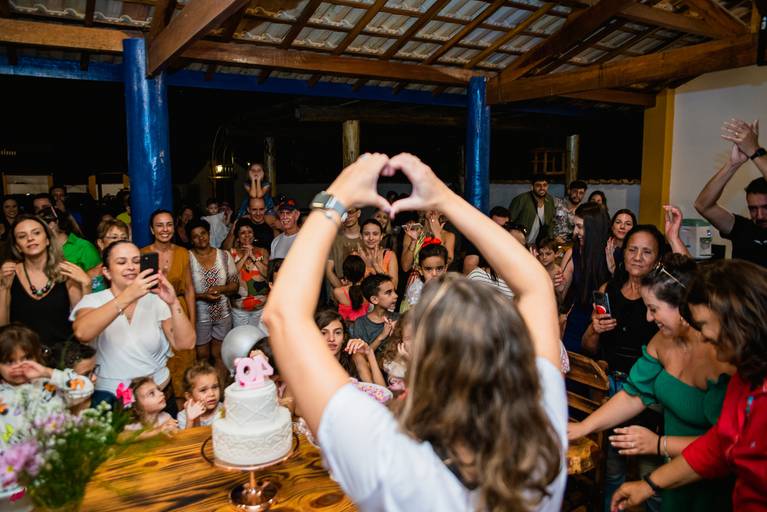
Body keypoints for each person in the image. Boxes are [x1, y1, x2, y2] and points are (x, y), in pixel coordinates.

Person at [263, 152, 566, 511]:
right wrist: (445, 199)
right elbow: (537, 285)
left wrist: (337, 197)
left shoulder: (393, 464)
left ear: (421, 362)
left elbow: (283, 315)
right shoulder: (542, 431)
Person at [570, 254, 733, 512]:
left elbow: (727, 444)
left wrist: (659, 444)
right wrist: (584, 427)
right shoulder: (661, 341)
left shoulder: (722, 357)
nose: (648, 318)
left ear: (682, 305)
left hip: (711, 482)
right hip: (672, 474)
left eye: (653, 309)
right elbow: (633, 394)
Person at [611, 259, 767, 512]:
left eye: (703, 325)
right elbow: (717, 446)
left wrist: (658, 445)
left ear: (736, 320)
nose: (702, 336)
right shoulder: (745, 377)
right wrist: (650, 484)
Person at [70, 241, 196, 414]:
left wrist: (173, 302)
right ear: (107, 272)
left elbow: (186, 343)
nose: (131, 267)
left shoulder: (156, 299)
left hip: (158, 395)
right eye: (122, 262)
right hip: (112, 400)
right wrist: (128, 296)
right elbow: (82, 333)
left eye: (136, 261)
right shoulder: (93, 301)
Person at [0, 215, 92, 347]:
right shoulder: (10, 273)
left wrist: (86, 286)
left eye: (36, 233)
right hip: (24, 355)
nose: (30, 238)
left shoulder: (66, 272)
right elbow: (3, 330)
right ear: (17, 247)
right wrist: (4, 287)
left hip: (63, 355)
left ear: (48, 240)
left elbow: (83, 327)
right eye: (22, 236)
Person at [0, 324, 92, 451]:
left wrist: (47, 372)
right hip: (16, 461)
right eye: (9, 361)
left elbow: (86, 388)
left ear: (36, 356)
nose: (19, 366)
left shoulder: (49, 384)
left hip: (58, 457)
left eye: (26, 358)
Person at [141, 209, 197, 406]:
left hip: (178, 310)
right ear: (152, 229)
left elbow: (189, 289)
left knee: (183, 365)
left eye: (169, 224)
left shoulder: (183, 253)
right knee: (157, 364)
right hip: (152, 313)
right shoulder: (142, 254)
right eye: (159, 225)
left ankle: (184, 414)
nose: (165, 229)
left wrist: (192, 322)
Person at [694, 118, 767, 266]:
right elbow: (703, 205)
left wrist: (754, 150)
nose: (759, 216)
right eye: (753, 209)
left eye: (766, 207)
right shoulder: (742, 228)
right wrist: (733, 164)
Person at [188, 219, 238, 385]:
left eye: (203, 233)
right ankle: (204, 388)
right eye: (195, 236)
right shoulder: (187, 258)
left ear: (209, 234)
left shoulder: (224, 256)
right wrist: (202, 296)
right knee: (202, 356)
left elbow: (235, 285)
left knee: (220, 354)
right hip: (199, 315)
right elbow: (184, 291)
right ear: (191, 240)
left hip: (222, 314)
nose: (200, 238)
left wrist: (220, 289)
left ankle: (220, 390)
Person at [560, 202, 612, 352]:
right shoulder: (573, 254)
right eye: (575, 226)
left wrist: (614, 271)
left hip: (602, 324)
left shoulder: (610, 254)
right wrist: (557, 287)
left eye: (580, 227)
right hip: (576, 319)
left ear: (593, 228)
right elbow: (560, 296)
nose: (575, 232)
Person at [229, 218, 270, 328]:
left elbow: (267, 274)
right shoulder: (231, 252)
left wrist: (252, 256)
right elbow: (231, 275)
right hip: (239, 309)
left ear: (254, 235)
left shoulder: (263, 251)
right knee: (242, 337)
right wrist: (245, 256)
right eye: (242, 232)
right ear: (238, 237)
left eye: (249, 232)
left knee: (260, 337)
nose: (247, 235)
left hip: (261, 308)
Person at [40, 206, 100, 273]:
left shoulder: (84, 247)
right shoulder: (42, 249)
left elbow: (97, 276)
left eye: (38, 229)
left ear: (51, 225)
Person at [349, 274, 398, 353]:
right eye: (388, 293)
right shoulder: (361, 323)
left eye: (394, 291)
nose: (396, 296)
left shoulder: (398, 318)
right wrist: (382, 336)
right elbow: (361, 356)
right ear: (374, 299)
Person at [49, 340, 98, 415]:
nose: (94, 378)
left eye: (94, 370)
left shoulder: (103, 401)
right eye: (85, 375)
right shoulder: (49, 411)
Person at [508, 174, 556, 246]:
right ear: (532, 187)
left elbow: (551, 222)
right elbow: (509, 221)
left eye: (544, 185)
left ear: (548, 186)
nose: (542, 188)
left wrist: (550, 240)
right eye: (538, 185)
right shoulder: (521, 199)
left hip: (537, 245)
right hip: (519, 243)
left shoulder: (549, 200)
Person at [401, 241, 448, 312]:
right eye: (428, 269)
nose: (434, 274)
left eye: (439, 268)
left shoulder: (450, 286)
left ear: (445, 268)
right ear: (420, 270)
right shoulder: (417, 289)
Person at [462, 206, 511, 274]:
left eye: (504, 227)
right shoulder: (479, 239)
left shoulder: (513, 242)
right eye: (495, 226)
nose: (500, 230)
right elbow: (469, 264)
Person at [89, 218, 130, 293]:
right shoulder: (91, 276)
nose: (120, 241)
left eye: (124, 238)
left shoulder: (135, 269)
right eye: (114, 237)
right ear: (101, 243)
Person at [177, 361, 223, 429]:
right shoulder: (183, 416)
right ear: (189, 396)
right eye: (203, 390)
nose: (212, 394)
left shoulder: (224, 410)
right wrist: (190, 420)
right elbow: (189, 436)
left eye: (215, 387)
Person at [326, 206, 363, 289]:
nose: (347, 216)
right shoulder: (334, 239)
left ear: (358, 213)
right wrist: (344, 291)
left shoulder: (368, 236)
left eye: (350, 212)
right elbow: (329, 271)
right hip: (341, 290)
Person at [359, 219, 399, 289]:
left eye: (375, 234)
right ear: (361, 236)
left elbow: (394, 286)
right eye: (366, 234)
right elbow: (352, 287)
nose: (371, 238)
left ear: (381, 236)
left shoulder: (389, 255)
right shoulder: (355, 256)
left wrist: (375, 265)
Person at [333, 255, 368, 322]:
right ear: (363, 273)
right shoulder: (367, 291)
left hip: (345, 325)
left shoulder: (337, 292)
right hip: (364, 325)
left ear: (345, 274)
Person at [552, 180, 588, 245]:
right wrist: (552, 237)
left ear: (584, 194)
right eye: (575, 191)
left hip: (573, 245)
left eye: (581, 193)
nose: (577, 195)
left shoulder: (584, 210)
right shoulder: (557, 203)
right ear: (569, 191)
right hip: (553, 242)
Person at [606, 209, 637, 275]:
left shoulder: (636, 253)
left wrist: (613, 269)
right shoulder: (602, 247)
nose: (622, 227)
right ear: (612, 226)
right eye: (618, 222)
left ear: (634, 229)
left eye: (628, 224)